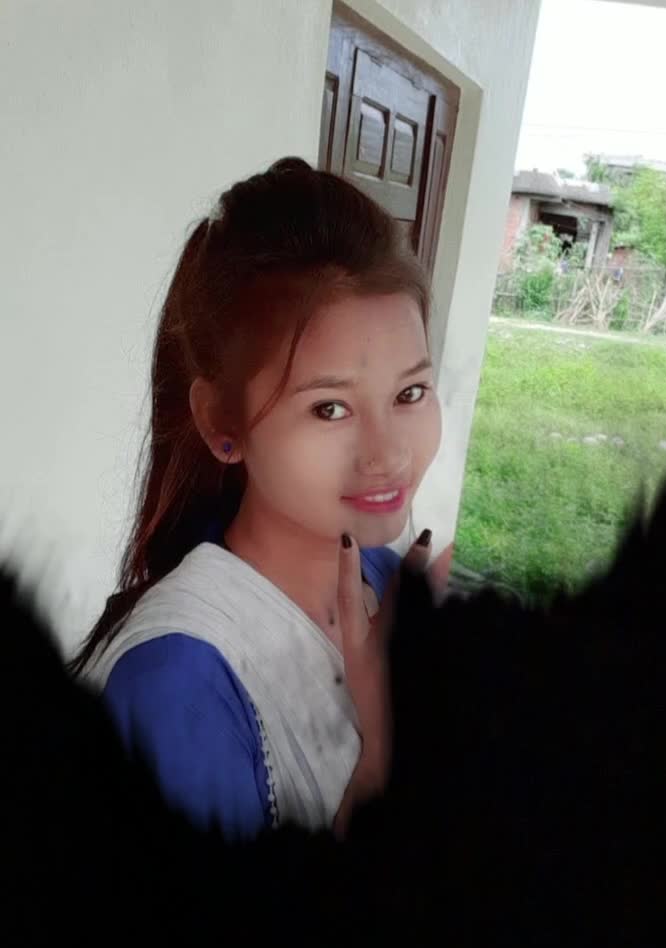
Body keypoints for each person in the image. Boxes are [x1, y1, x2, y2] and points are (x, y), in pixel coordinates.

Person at [72, 157, 450, 839]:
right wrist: (379, 758)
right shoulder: (176, 686)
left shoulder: (383, 575)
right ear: (223, 424)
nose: (390, 453)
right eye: (330, 408)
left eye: (410, 392)